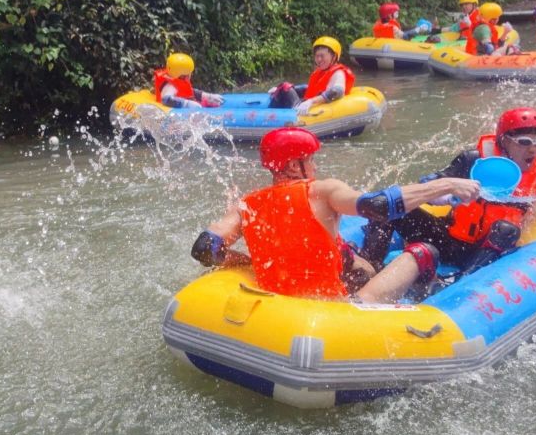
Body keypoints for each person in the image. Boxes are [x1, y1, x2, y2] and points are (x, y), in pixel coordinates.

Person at [190, 126, 481, 303]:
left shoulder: (246, 204)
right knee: (424, 251)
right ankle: (421, 306)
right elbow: (377, 205)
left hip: (280, 300)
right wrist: (446, 184)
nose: (314, 167)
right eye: (310, 160)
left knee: (350, 253)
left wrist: (250, 263)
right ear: (294, 166)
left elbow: (206, 248)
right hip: (339, 306)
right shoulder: (323, 190)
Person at [360, 106, 536, 276]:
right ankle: (368, 268)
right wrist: (447, 196)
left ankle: (464, 283)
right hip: (448, 238)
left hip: (486, 251)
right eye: (524, 142)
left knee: (507, 229)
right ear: (504, 140)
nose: (533, 150)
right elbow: (429, 184)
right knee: (390, 206)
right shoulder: (473, 161)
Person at [152, 52, 223, 108]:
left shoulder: (176, 80)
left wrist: (208, 96)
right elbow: (166, 99)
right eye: (190, 73)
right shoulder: (171, 87)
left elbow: (190, 91)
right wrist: (186, 104)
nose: (191, 75)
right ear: (183, 75)